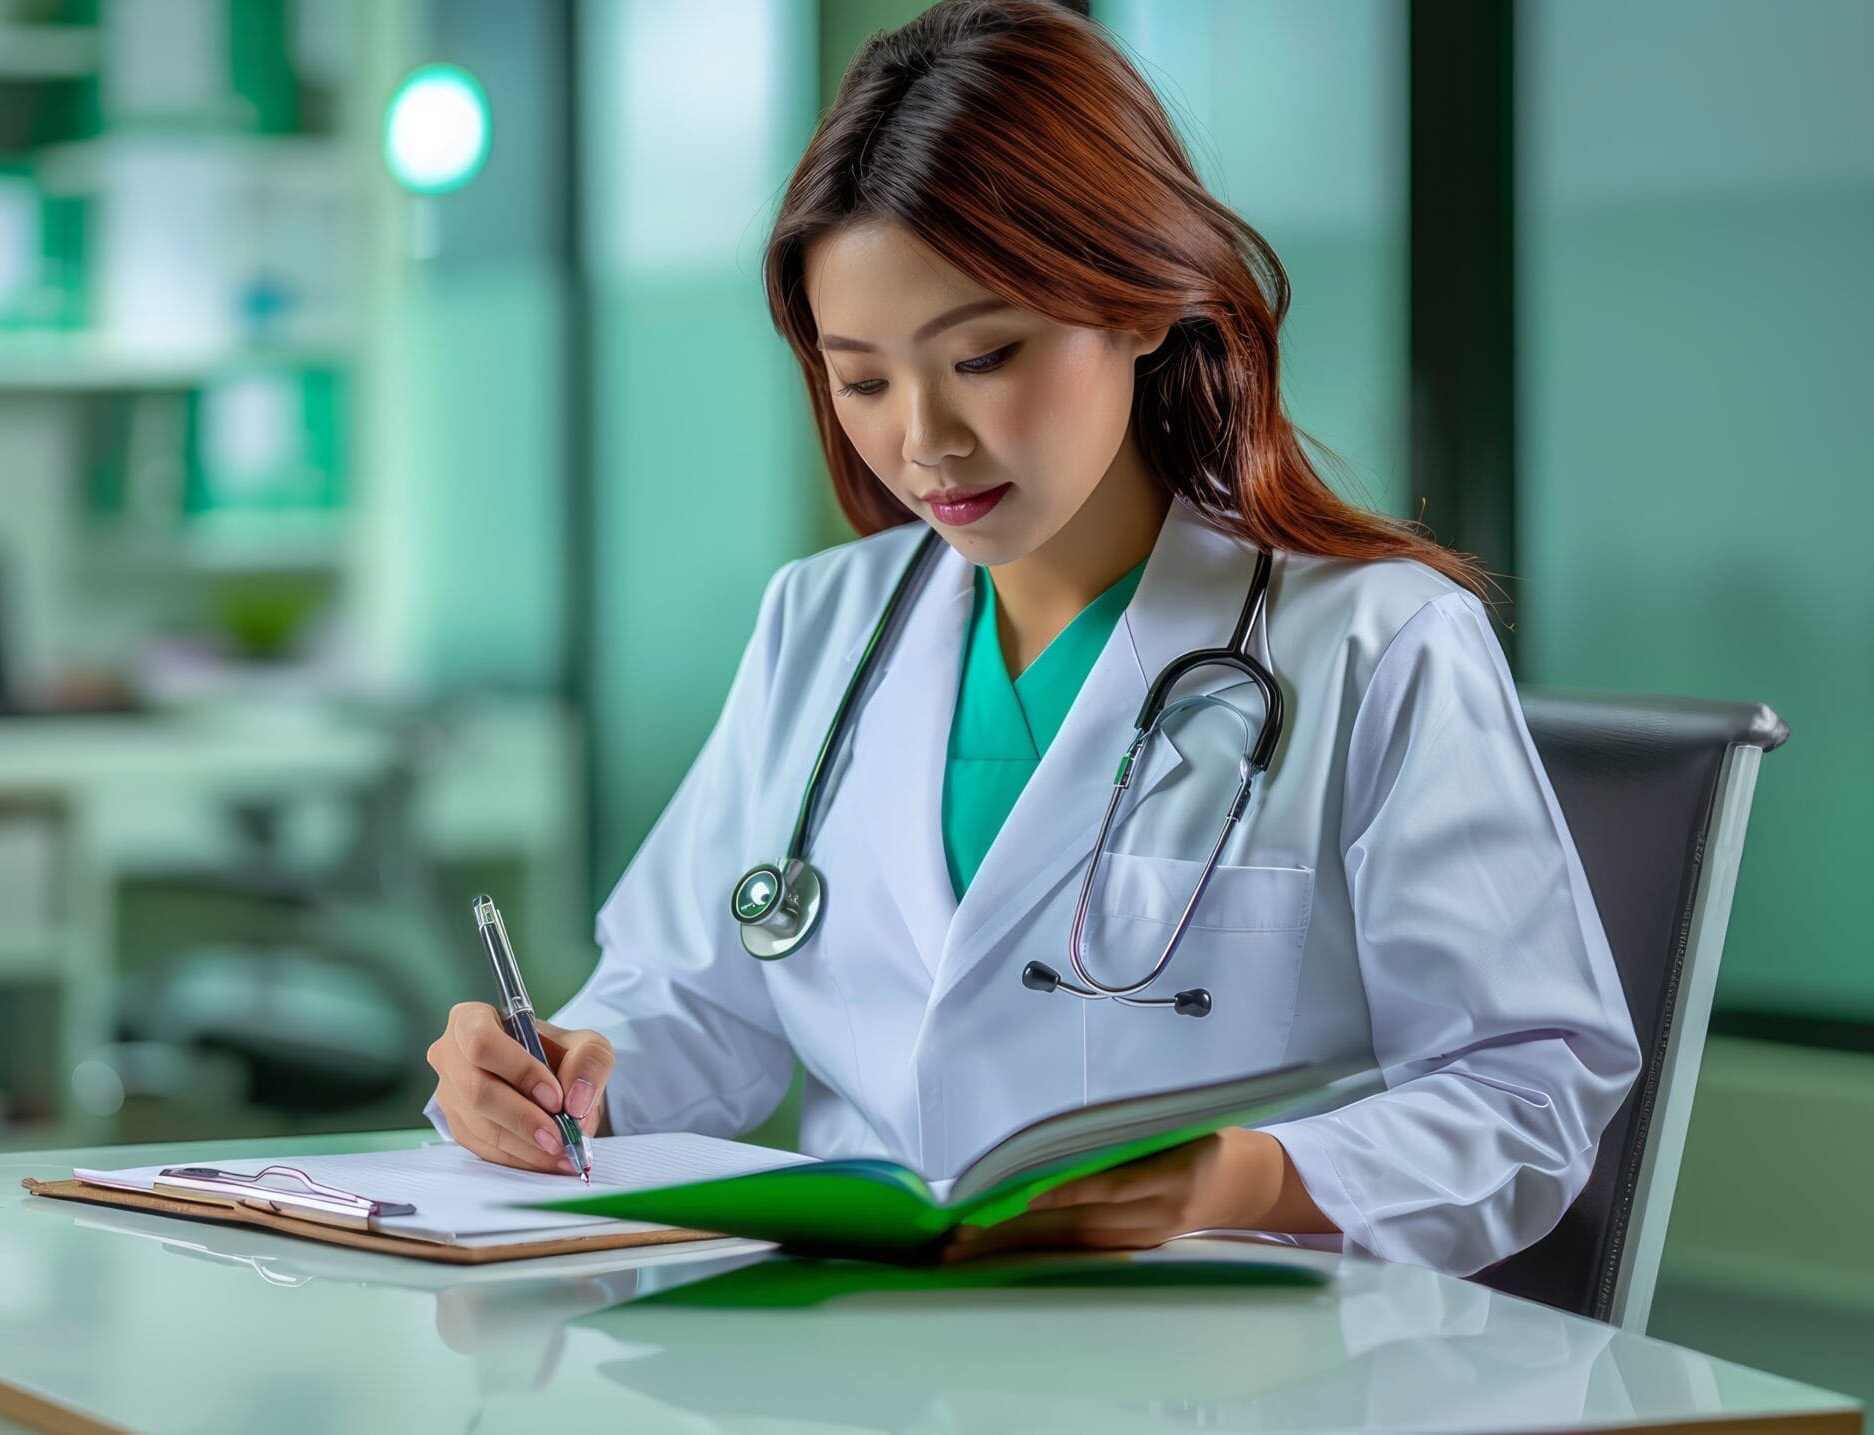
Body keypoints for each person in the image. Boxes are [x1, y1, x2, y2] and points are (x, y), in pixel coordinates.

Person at [425, 0, 1639, 1276]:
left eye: (984, 355)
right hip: (869, 1359)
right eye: (864, 379)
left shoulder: (1376, 642)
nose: (922, 441)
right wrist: (557, 1071)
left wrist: (1247, 1173)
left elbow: (1527, 1092)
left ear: (1138, 306)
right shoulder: (820, 625)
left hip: (1241, 1368)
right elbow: (689, 1002)